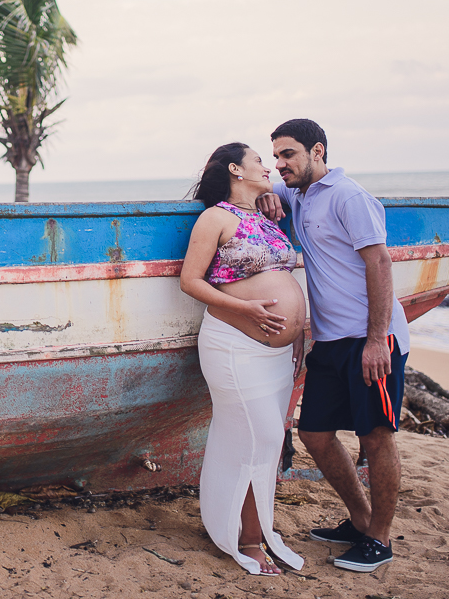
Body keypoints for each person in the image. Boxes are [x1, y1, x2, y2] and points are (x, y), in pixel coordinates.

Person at [256, 118, 408, 573]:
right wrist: (267, 193)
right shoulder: (298, 193)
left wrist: (377, 340)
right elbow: (265, 196)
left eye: (288, 155)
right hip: (330, 340)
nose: (279, 164)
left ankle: (379, 538)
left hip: (371, 339)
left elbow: (379, 262)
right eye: (275, 156)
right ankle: (361, 519)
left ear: (317, 151)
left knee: (375, 436)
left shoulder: (348, 196)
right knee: (315, 435)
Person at [179, 142, 306, 576]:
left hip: (278, 354)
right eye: (258, 160)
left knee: (263, 446)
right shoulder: (215, 217)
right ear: (235, 169)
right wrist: (245, 309)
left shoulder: (267, 218)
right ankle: (243, 539)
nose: (268, 166)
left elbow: (283, 274)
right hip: (233, 344)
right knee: (263, 438)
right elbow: (190, 281)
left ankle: (251, 532)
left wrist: (298, 334)